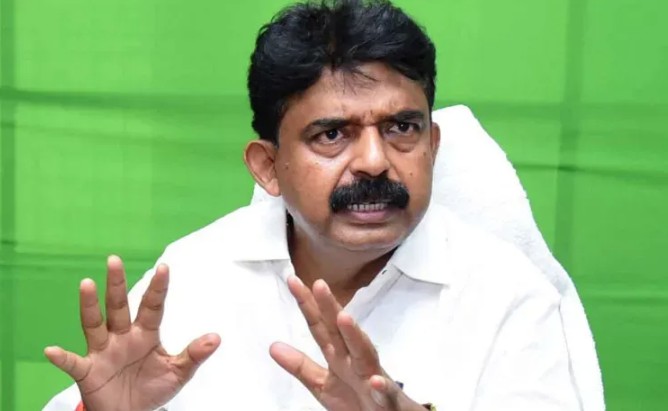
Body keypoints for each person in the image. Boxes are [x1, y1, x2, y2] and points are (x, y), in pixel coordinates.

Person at [43, 0, 583, 410]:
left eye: (401, 128)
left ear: (433, 146)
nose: (375, 161)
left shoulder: (508, 297)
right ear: (267, 167)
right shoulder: (196, 274)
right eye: (332, 134)